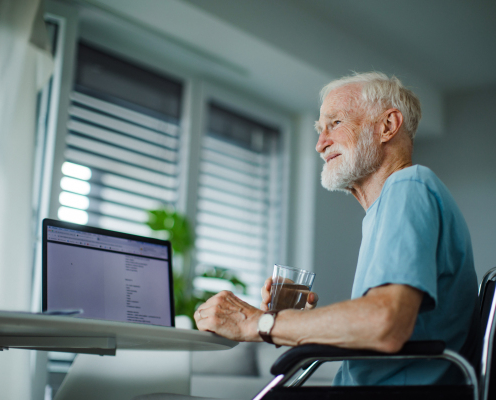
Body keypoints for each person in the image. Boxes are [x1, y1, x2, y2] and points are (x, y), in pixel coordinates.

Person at [194, 71, 479, 386]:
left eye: (335, 123)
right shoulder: (387, 207)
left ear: (387, 126)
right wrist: (294, 323)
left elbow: (385, 324)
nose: (320, 144)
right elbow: (381, 326)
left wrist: (260, 322)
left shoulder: (407, 187)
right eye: (319, 129)